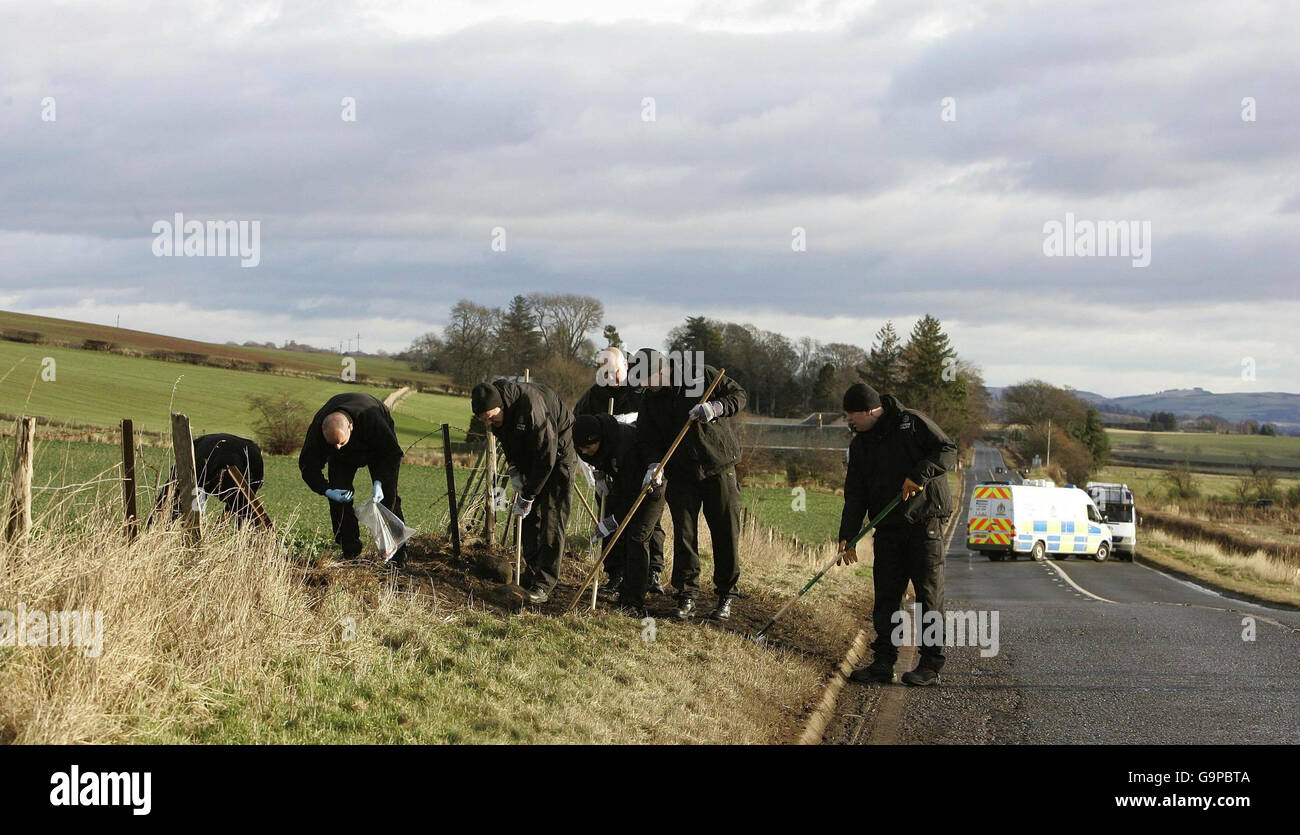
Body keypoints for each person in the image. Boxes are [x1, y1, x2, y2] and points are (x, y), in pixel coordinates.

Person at [837, 383, 957, 687]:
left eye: (852, 416)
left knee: (928, 596)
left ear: (869, 411)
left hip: (924, 521)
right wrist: (848, 535)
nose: (849, 422)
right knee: (887, 598)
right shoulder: (860, 444)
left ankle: (930, 664)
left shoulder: (912, 423)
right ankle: (883, 662)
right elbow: (855, 493)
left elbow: (947, 450)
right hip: (888, 526)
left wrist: (918, 475)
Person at [635, 348, 747, 621]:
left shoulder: (699, 374)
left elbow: (739, 395)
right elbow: (647, 437)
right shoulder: (650, 399)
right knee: (684, 535)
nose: (646, 385)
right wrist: (653, 465)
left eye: (648, 378)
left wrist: (715, 408)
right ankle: (686, 594)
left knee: (725, 531)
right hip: (681, 472)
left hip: (718, 465)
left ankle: (725, 595)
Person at [573, 345, 668, 595]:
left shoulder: (642, 391)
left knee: (648, 521)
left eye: (615, 372)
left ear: (626, 366)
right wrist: (595, 471)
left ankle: (652, 572)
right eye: (605, 374)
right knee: (609, 515)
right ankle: (615, 572)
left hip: (639, 466)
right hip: (606, 469)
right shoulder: (593, 396)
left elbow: (655, 425)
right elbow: (580, 432)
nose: (612, 379)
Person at [472, 378, 576, 604]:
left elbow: (546, 457)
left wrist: (529, 494)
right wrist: (515, 470)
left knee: (552, 518)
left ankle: (544, 582)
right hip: (533, 455)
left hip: (558, 454)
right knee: (529, 518)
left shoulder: (531, 408)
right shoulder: (498, 415)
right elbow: (510, 443)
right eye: (483, 420)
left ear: (500, 406)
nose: (489, 423)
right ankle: (532, 570)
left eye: (490, 417)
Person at [572, 412, 667, 618]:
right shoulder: (587, 446)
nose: (584, 453)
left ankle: (635, 601)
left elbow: (633, 493)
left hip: (650, 486)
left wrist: (614, 520)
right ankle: (622, 583)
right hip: (626, 485)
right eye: (581, 450)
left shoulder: (625, 444)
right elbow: (602, 464)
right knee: (621, 535)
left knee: (637, 536)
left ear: (599, 439)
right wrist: (599, 472)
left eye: (588, 448)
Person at [299, 392, 408, 566]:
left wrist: (379, 482)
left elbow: (391, 454)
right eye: (332, 444)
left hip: (377, 449)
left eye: (341, 443)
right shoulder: (318, 431)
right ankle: (350, 552)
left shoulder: (372, 419)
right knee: (339, 497)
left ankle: (397, 555)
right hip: (341, 461)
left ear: (350, 426)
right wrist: (327, 490)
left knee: (389, 498)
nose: (337, 447)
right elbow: (308, 466)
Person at [153, 433, 265, 527]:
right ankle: (244, 539)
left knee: (182, 502)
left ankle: (161, 529)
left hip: (204, 455)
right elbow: (248, 498)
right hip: (220, 460)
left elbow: (174, 482)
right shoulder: (253, 452)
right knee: (244, 508)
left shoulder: (198, 446)